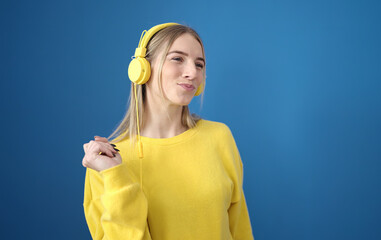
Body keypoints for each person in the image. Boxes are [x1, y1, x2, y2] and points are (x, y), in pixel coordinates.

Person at [82, 23, 254, 240]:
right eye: (177, 58)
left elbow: (240, 230)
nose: (192, 72)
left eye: (199, 64)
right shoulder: (106, 161)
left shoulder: (219, 137)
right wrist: (115, 176)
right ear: (142, 68)